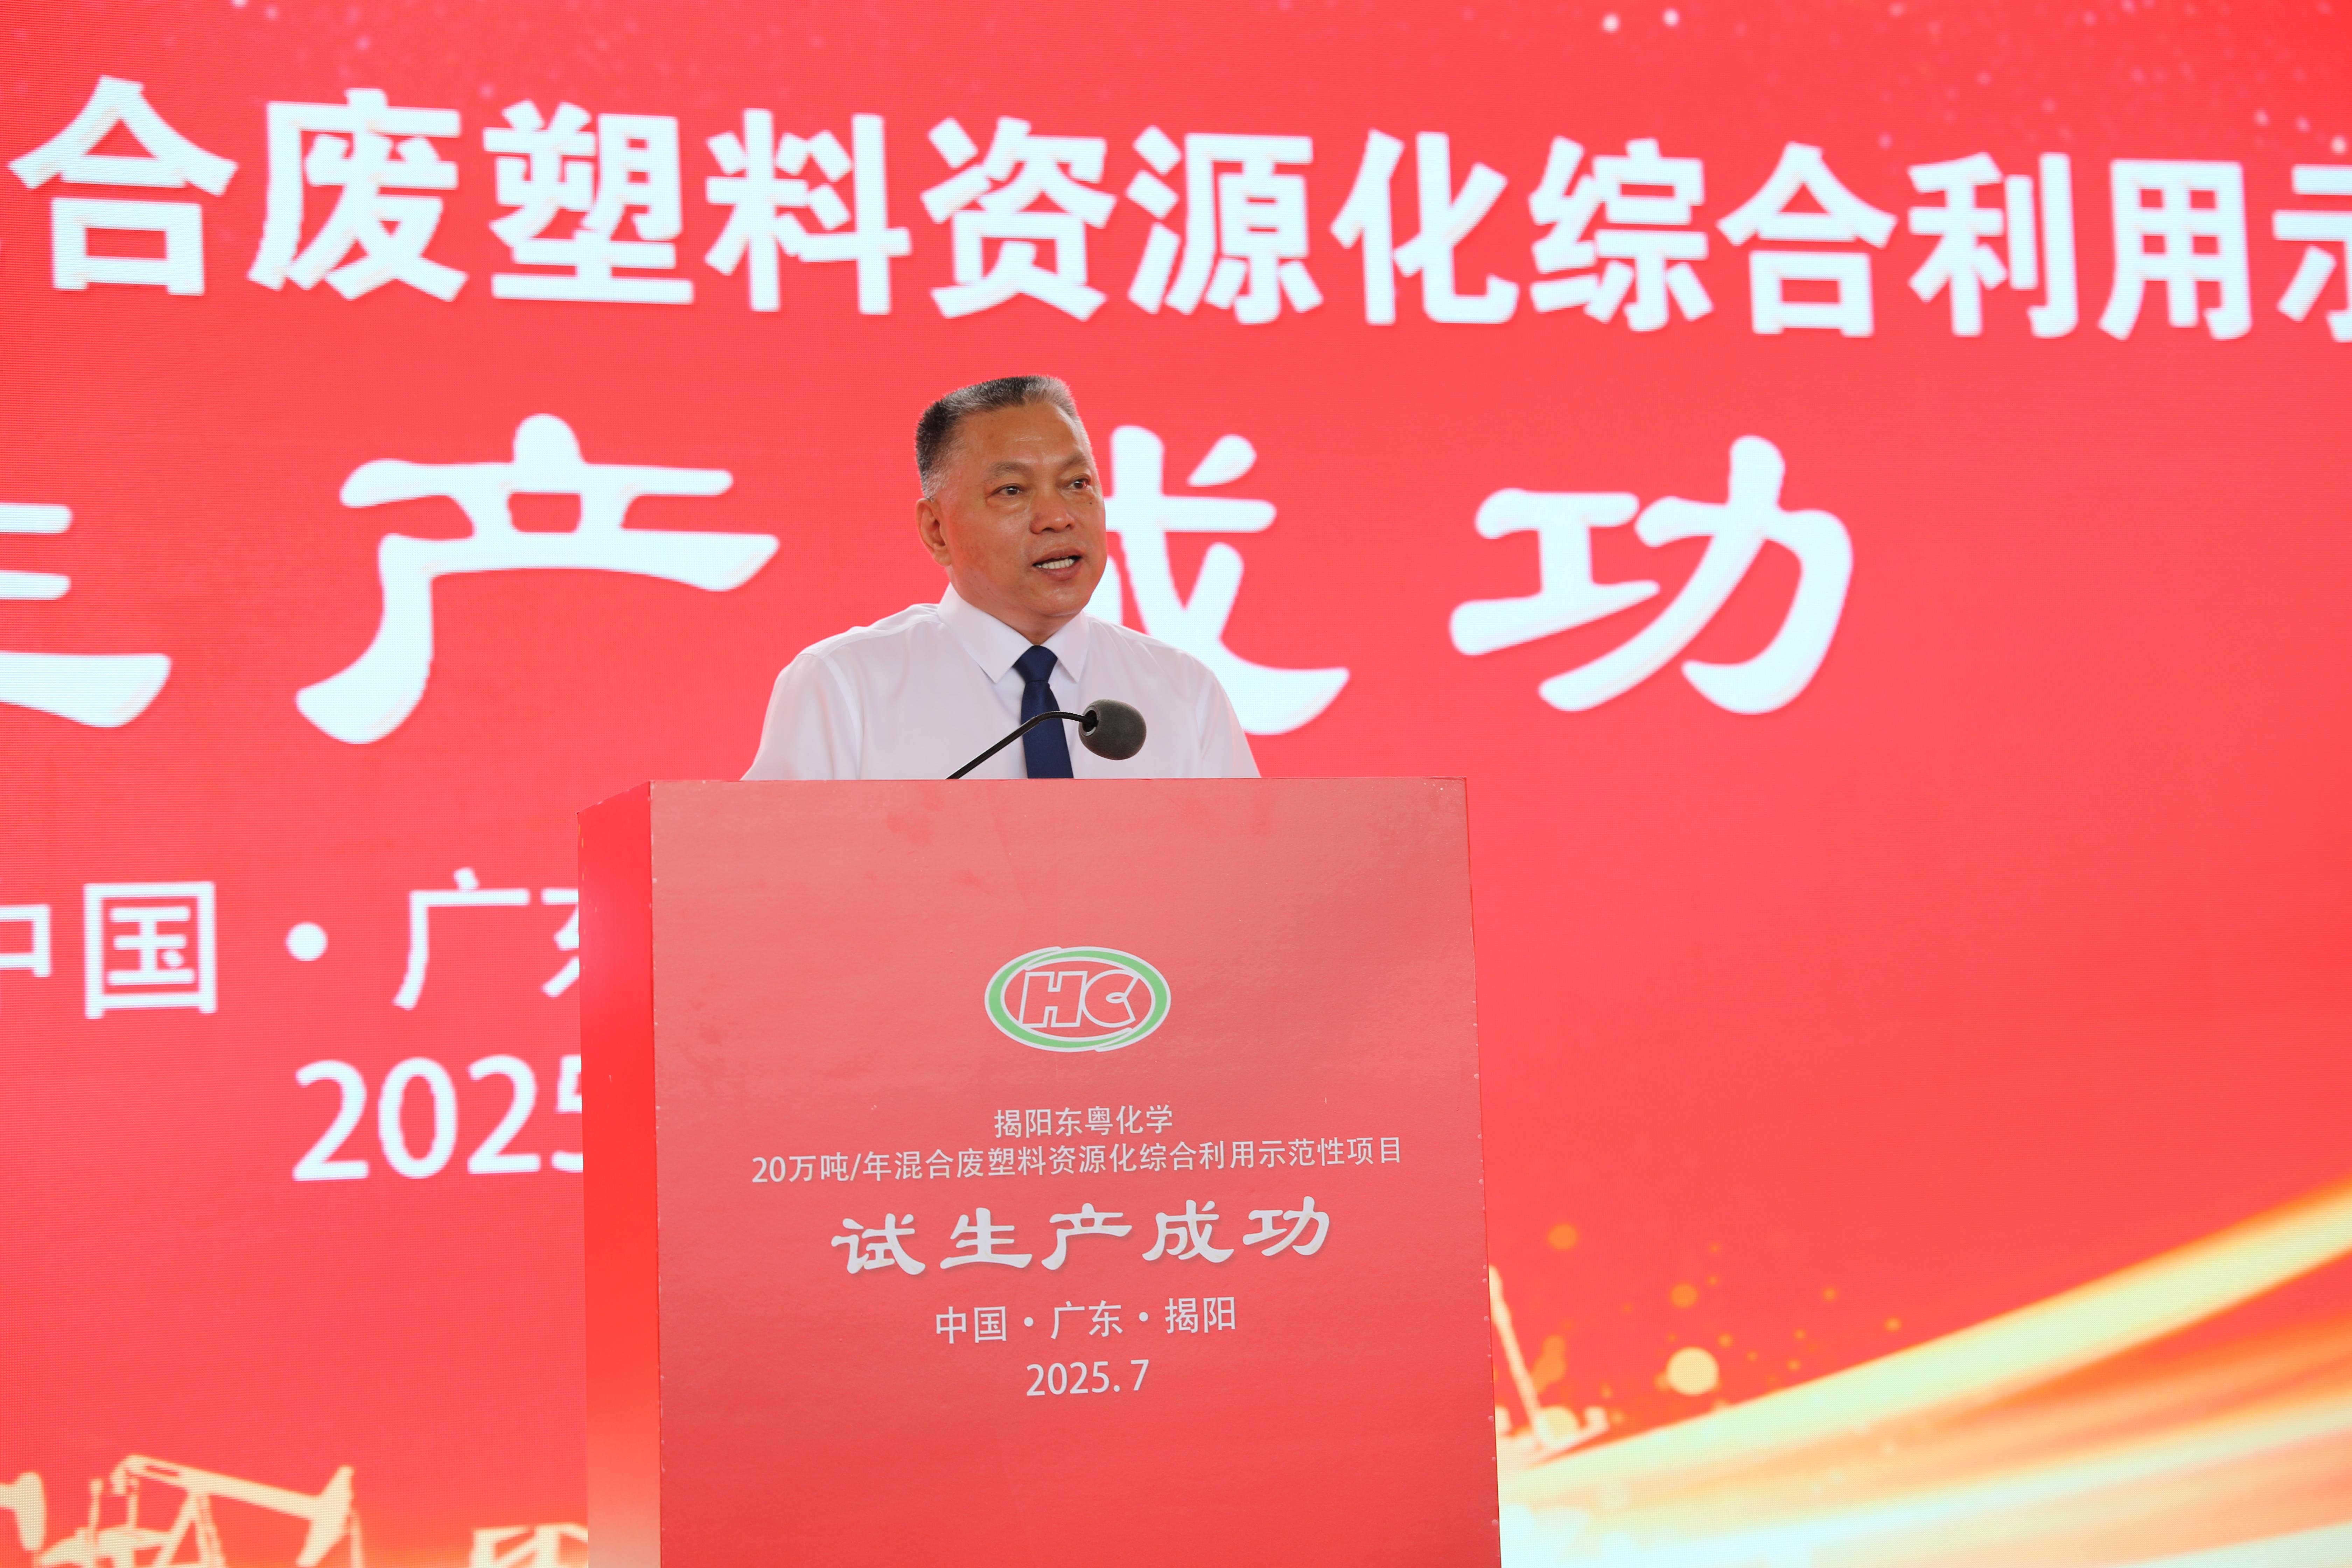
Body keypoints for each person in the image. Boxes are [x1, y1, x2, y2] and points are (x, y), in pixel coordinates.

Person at [743, 376, 1259, 780]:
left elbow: (1243, 873)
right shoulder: (843, 686)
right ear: (937, 530)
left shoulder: (1184, 692)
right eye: (1012, 491)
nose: (1058, 517)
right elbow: (777, 874)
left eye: (1078, 483)